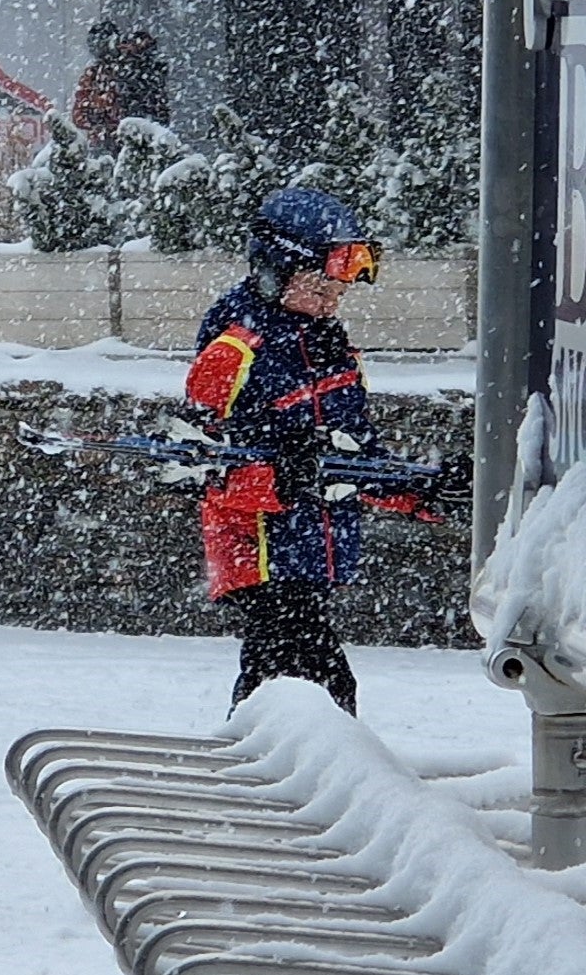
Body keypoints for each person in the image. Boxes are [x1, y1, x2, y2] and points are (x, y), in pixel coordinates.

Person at [185, 186, 434, 716]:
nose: (331, 300)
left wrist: (421, 493)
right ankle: (290, 775)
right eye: (319, 286)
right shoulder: (236, 346)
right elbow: (203, 459)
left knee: (286, 683)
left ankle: (264, 768)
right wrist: (281, 473)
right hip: (262, 549)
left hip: (310, 550)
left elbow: (354, 456)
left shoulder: (330, 344)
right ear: (274, 272)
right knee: (314, 682)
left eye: (339, 290)